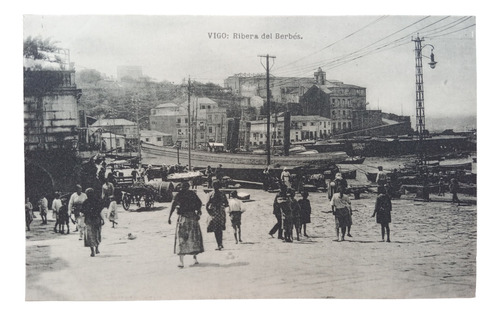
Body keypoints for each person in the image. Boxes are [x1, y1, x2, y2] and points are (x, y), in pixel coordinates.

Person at [168, 181, 204, 268]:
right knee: (193, 237)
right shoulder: (192, 194)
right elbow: (199, 204)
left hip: (183, 218)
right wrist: (198, 212)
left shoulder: (178, 195)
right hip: (192, 218)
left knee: (181, 238)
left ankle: (181, 262)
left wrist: (169, 217)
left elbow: (173, 205)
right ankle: (194, 258)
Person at [81, 188, 105, 257]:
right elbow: (100, 211)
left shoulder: (85, 202)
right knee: (96, 234)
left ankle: (93, 251)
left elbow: (82, 213)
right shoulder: (97, 201)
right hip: (96, 220)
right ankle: (96, 249)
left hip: (89, 220)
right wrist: (102, 219)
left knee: (90, 235)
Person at [206, 180, 228, 250]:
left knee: (216, 229)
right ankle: (220, 244)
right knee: (220, 229)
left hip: (214, 212)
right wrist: (222, 206)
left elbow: (207, 205)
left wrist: (209, 212)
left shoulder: (211, 194)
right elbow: (227, 204)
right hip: (220, 212)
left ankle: (219, 244)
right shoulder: (222, 194)